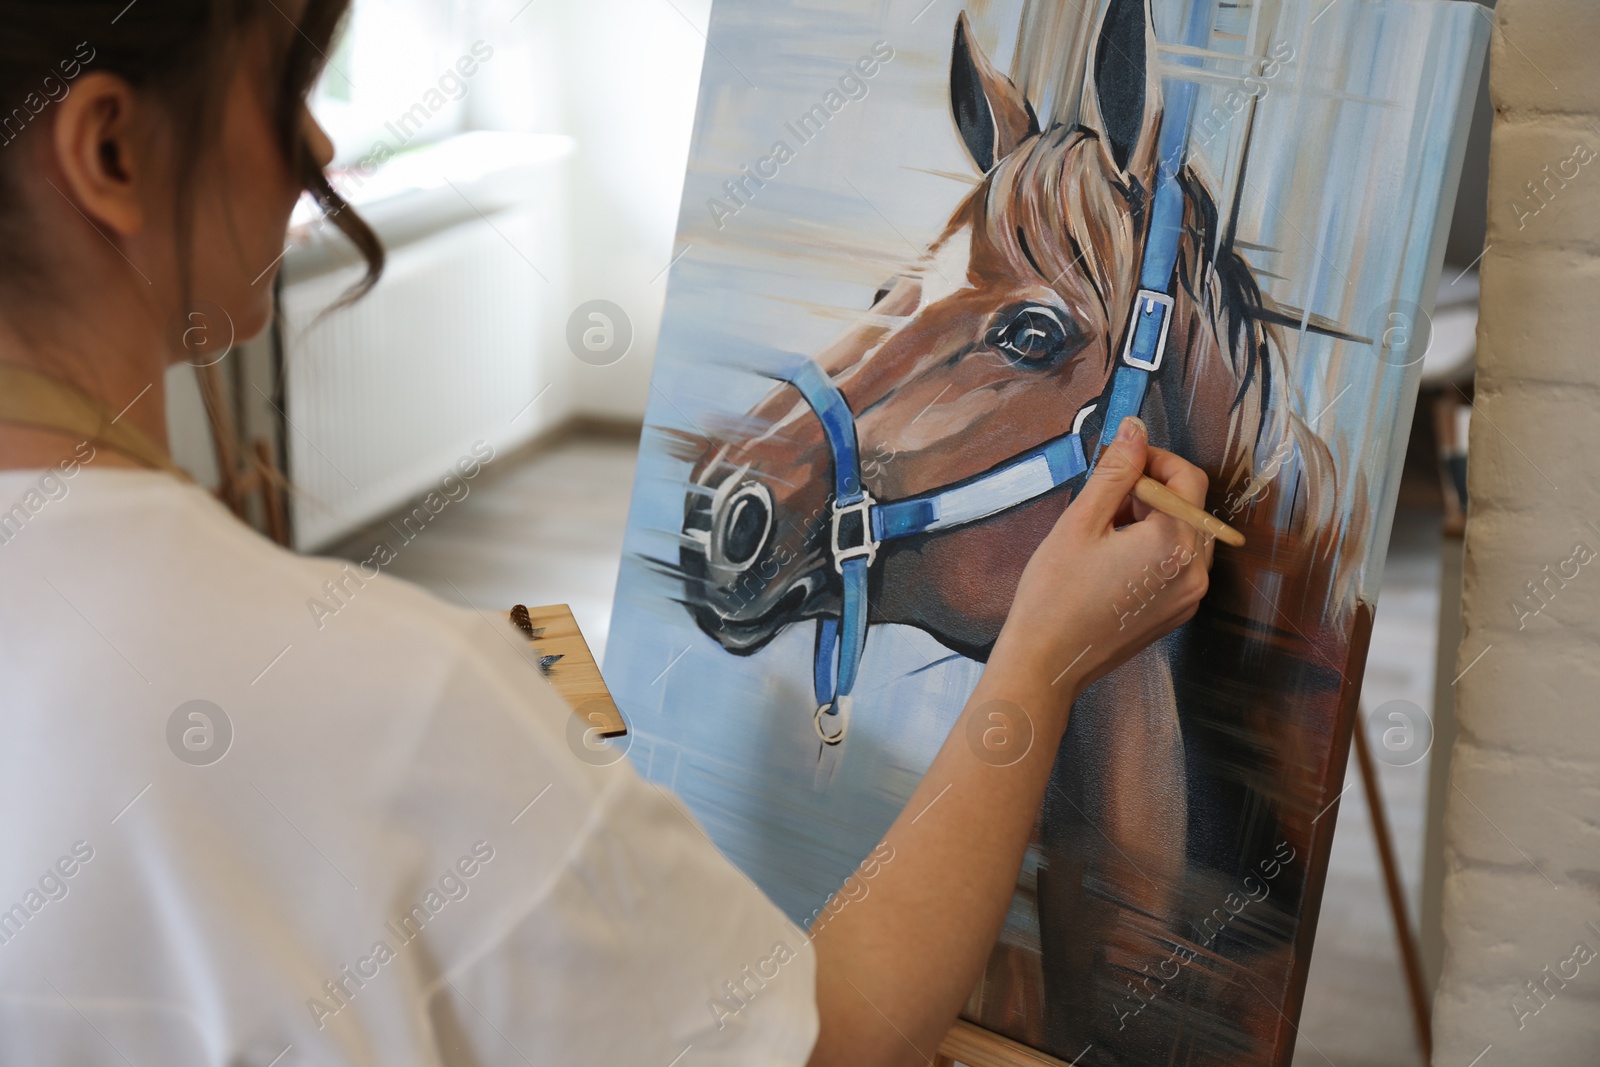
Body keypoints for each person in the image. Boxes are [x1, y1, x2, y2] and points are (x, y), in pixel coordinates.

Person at [0, 2, 1214, 1065]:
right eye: (279, 92)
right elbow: (831, 1038)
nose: (315, 143)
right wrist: (1041, 661)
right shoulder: (399, 702)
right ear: (108, 149)